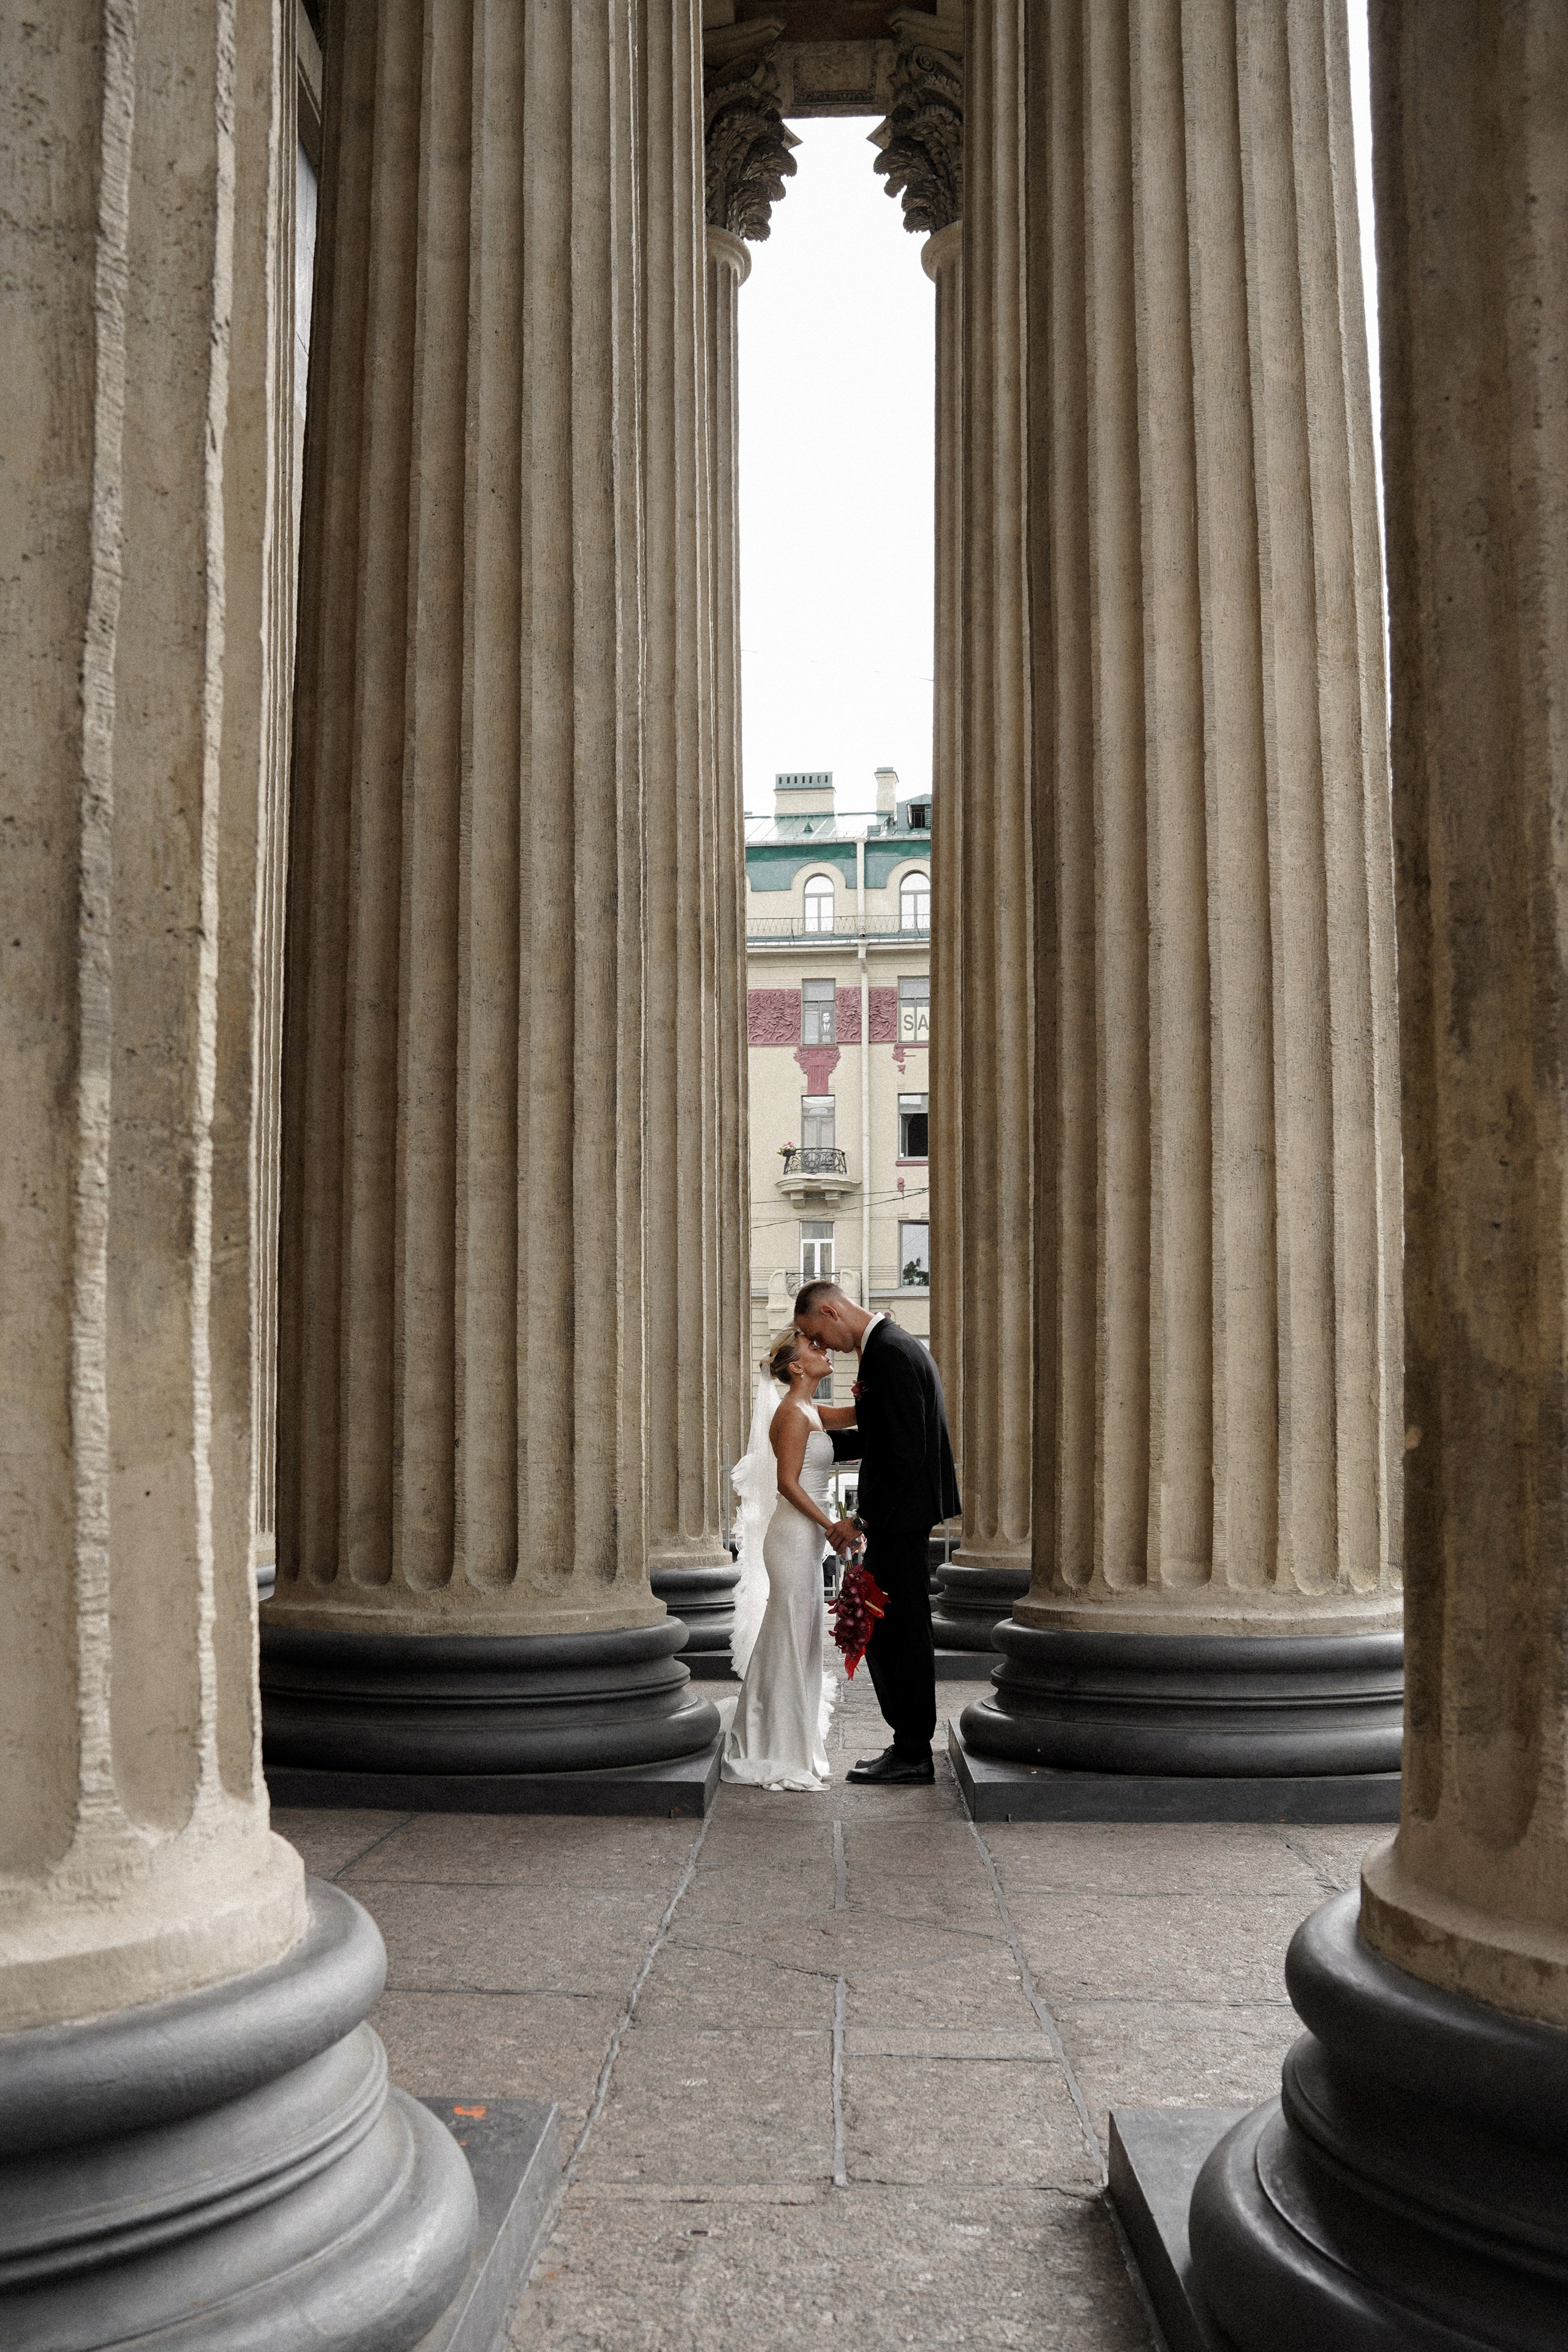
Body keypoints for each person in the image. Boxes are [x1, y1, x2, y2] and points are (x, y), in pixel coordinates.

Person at [792, 1280, 960, 1785]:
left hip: (900, 1518)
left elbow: (904, 1451)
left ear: (830, 1311)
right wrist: (809, 1436)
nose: (820, 1345)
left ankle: (913, 1752)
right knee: (893, 1633)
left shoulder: (888, 1352)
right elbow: (882, 1435)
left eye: (815, 1333)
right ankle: (908, 1745)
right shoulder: (892, 1345)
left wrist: (859, 1520)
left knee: (900, 1635)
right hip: (904, 1515)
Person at [722, 1327, 858, 1792]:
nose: (824, 1349)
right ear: (797, 1367)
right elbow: (787, 1482)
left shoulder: (811, 1409)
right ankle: (776, 1744)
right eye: (814, 1347)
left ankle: (785, 1736)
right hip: (794, 1536)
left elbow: (861, 1414)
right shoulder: (794, 1413)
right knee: (791, 1635)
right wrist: (832, 1525)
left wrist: (870, 1363)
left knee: (799, 1637)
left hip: (806, 1536)